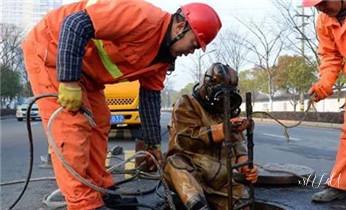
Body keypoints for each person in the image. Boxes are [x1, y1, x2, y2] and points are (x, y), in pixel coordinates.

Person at [21, 0, 222, 209]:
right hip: (52, 52)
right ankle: (83, 203)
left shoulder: (162, 59)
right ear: (181, 27)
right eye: (194, 44)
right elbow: (75, 24)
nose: (192, 52)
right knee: (72, 128)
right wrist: (69, 80)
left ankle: (100, 190)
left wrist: (152, 145)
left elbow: (150, 97)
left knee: (99, 123)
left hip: (88, 74)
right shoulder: (142, 17)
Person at [164, 63, 258, 210]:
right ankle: (197, 204)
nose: (223, 100)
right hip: (191, 175)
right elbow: (184, 139)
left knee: (243, 203)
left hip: (220, 181)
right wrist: (220, 131)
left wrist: (245, 166)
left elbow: (239, 147)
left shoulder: (227, 110)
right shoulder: (187, 103)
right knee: (175, 163)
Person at [303, 0, 346, 203]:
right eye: (316, 5)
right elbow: (330, 57)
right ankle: (340, 185)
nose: (321, 8)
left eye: (324, 2)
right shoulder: (324, 21)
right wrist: (323, 86)